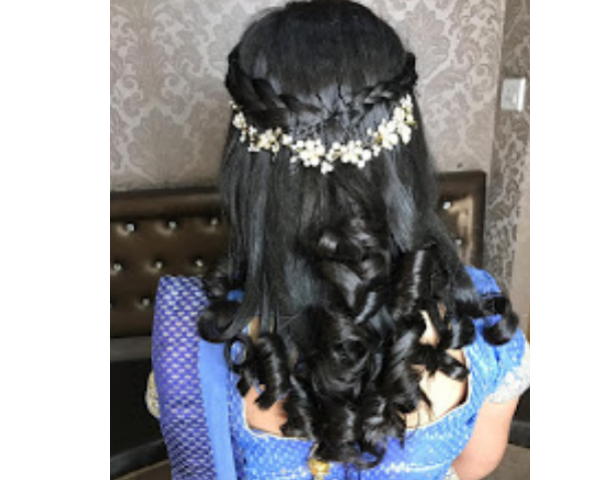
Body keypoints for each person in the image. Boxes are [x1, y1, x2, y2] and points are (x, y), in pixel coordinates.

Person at [148, 1, 530, 479]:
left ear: (245, 167)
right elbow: (475, 465)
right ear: (406, 151)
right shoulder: (480, 316)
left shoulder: (193, 336)